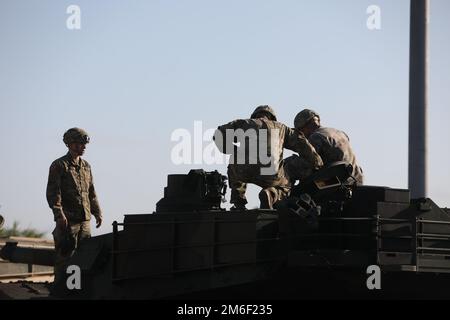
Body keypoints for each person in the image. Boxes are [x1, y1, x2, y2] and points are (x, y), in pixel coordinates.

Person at [214, 106, 323, 210]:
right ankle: (271, 194)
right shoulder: (282, 128)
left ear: (255, 116)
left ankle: (239, 202)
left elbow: (218, 134)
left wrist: (231, 150)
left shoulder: (244, 124)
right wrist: (318, 163)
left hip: (244, 172)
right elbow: (303, 145)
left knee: (236, 161)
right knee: (286, 185)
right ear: (272, 118)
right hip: (271, 173)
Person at [46, 128, 103, 287]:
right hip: (68, 222)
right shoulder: (59, 165)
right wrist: (59, 216)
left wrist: (97, 212)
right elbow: (53, 193)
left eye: (84, 144)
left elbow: (91, 192)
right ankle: (61, 292)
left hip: (85, 221)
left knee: (84, 259)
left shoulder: (86, 166)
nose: (83, 147)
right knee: (65, 259)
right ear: (69, 144)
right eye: (79, 144)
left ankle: (78, 292)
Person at [285, 109, 364, 185]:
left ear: (305, 127)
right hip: (355, 180)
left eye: (300, 131)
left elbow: (307, 163)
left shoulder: (316, 137)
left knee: (289, 166)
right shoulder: (339, 132)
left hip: (333, 183)